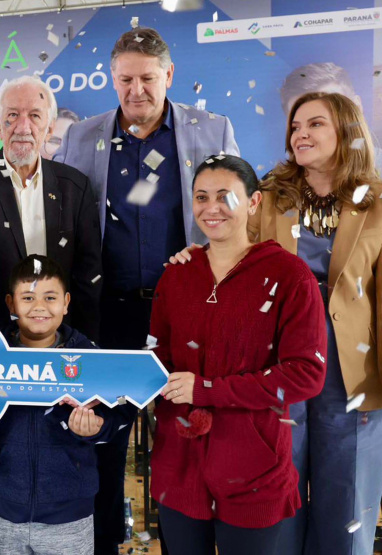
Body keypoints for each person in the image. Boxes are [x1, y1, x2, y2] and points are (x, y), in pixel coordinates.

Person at [50, 27, 240, 554]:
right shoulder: (81, 136)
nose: (136, 90)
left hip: (185, 317)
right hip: (106, 318)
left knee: (192, 441)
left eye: (148, 79)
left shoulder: (213, 129)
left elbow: (242, 212)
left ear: (170, 76)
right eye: (125, 79)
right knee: (102, 444)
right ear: (112, 79)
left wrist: (205, 254)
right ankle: (105, 544)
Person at [0, 75, 102, 555]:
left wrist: (87, 359)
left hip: (64, 348)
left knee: (64, 452)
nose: (22, 125)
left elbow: (90, 272)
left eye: (34, 115)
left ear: (50, 125)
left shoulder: (75, 185)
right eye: (11, 115)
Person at [150, 154, 326, 555]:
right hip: (178, 467)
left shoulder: (290, 276)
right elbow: (157, 356)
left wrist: (207, 389)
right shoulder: (177, 273)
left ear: (253, 202)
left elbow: (305, 376)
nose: (211, 208)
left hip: (254, 471)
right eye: (201, 197)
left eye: (224, 197)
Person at [253, 92, 382, 555]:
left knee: (346, 498)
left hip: (352, 370)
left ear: (346, 131)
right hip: (277, 365)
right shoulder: (268, 196)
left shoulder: (380, 202)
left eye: (315, 124)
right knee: (275, 490)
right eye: (295, 127)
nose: (301, 134)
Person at [0, 254, 135, 555]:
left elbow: (120, 415)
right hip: (2, 513)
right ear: (11, 304)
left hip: (69, 517)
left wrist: (96, 428)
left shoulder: (90, 356)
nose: (39, 307)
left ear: (66, 303)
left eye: (50, 297)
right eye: (28, 297)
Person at [279, 62, 382, 175]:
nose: (303, 134)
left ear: (357, 107)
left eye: (316, 123)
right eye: (297, 125)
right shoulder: (274, 186)